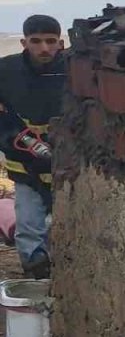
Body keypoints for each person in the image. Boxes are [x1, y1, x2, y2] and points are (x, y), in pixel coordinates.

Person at [0, 15, 66, 278]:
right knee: (29, 226)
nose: (44, 48)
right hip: (25, 165)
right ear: (23, 42)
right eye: (36, 41)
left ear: (61, 43)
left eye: (51, 41)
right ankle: (36, 275)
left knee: (66, 224)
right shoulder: (7, 71)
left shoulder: (73, 70)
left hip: (66, 166)